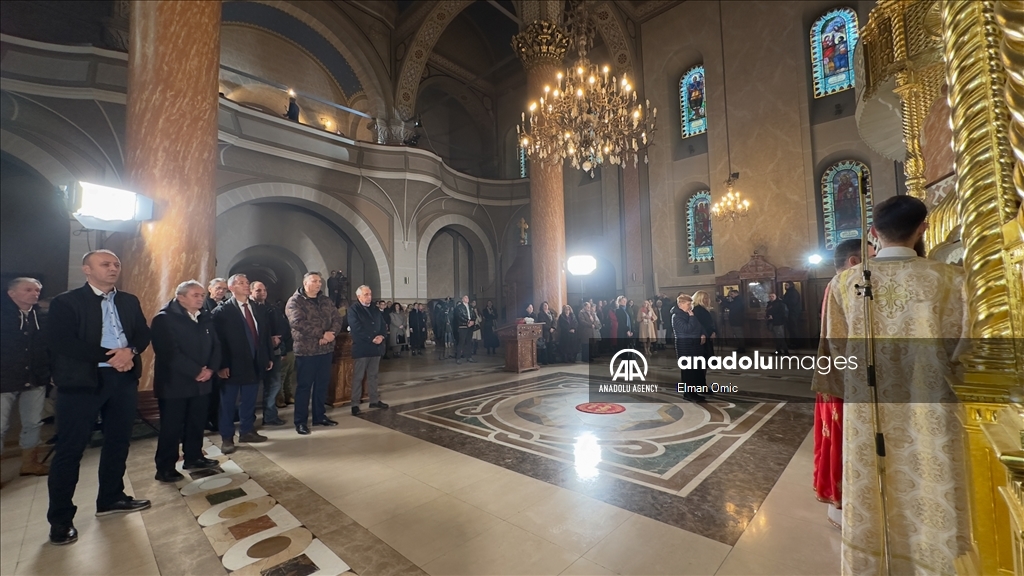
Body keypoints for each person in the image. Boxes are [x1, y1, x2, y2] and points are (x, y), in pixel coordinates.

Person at [821, 195, 970, 574]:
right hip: (931, 410)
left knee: (871, 488)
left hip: (865, 412)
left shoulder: (844, 284)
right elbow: (964, 350)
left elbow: (838, 353)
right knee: (931, 487)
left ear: (872, 234)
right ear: (922, 228)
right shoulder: (951, 280)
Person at [46, 250, 152, 546]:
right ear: (86, 269)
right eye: (105, 264)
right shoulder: (67, 302)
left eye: (116, 264)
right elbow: (62, 341)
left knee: (118, 441)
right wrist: (112, 356)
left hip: (122, 378)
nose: (113, 268)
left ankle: (111, 497)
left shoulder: (128, 300)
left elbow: (143, 333)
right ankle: (61, 519)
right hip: (82, 382)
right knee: (70, 450)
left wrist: (129, 352)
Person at [810, 238, 872, 530]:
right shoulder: (844, 284)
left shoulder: (843, 284)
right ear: (853, 261)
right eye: (871, 256)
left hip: (837, 373)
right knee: (839, 436)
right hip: (843, 375)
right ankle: (840, 500)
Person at [151, 281, 220, 483]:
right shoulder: (164, 319)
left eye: (202, 295)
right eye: (195, 295)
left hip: (202, 382)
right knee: (172, 427)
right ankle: (165, 467)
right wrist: (196, 371)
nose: (200, 298)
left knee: (196, 423)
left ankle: (194, 457)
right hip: (175, 383)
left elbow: (216, 345)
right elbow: (169, 353)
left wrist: (211, 369)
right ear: (180, 297)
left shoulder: (205, 317)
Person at [212, 274, 272, 454]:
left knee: (249, 401)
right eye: (241, 283)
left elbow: (264, 335)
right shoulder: (222, 311)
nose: (246, 286)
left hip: (254, 362)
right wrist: (221, 365)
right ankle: (227, 437)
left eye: (247, 283)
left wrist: (267, 356)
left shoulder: (257, 308)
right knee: (228, 403)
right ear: (231, 288)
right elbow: (218, 341)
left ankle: (247, 431)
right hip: (232, 364)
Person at [1, 278, 50, 484]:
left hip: (35, 376)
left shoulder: (41, 317)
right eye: (28, 289)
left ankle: (29, 463)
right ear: (12, 293)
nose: (34, 293)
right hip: (4, 377)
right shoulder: (4, 316)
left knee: (33, 421)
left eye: (37, 290)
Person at [286, 272, 343, 435]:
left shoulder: (325, 300)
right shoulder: (295, 301)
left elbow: (337, 318)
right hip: (306, 350)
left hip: (325, 349)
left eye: (320, 281)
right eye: (315, 281)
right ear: (305, 283)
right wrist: (322, 334)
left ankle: (319, 416)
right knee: (304, 387)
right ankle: (300, 421)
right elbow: (297, 322)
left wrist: (331, 333)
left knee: (322, 385)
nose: (319, 284)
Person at [347, 285, 389, 415]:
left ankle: (374, 400)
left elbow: (382, 324)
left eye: (370, 294)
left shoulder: (375, 309)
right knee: (358, 377)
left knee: (373, 376)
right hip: (362, 347)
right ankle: (355, 403)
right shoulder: (354, 310)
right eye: (366, 294)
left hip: (376, 348)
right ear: (359, 296)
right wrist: (372, 338)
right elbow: (356, 328)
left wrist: (382, 336)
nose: (369, 297)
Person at [251, 282, 286, 427]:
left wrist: (280, 341)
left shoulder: (272, 308)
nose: (262, 293)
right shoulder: (250, 309)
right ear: (251, 292)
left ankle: (270, 415)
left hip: (275, 351)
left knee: (274, 384)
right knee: (252, 387)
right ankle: (249, 418)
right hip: (256, 352)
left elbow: (283, 326)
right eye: (258, 290)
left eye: (264, 290)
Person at [203, 277, 228, 431]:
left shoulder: (225, 305)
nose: (221, 291)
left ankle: (216, 419)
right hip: (207, 354)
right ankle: (207, 420)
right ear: (210, 288)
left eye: (224, 289)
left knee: (219, 391)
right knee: (208, 392)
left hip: (221, 351)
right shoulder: (204, 305)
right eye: (218, 288)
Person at [672, 294, 706, 403]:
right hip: (685, 347)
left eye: (691, 303)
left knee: (694, 370)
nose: (690, 306)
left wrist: (702, 334)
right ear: (680, 304)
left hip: (693, 346)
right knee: (688, 372)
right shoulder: (676, 316)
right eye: (688, 304)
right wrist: (691, 318)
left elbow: (699, 326)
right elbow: (687, 329)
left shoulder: (689, 313)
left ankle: (694, 392)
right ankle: (688, 394)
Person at [691, 290, 717, 361]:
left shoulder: (702, 309)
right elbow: (701, 324)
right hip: (703, 335)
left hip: (707, 334)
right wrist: (709, 332)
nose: (707, 300)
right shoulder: (698, 310)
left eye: (707, 298)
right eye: (705, 298)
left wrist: (713, 331)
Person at [454, 295, 476, 364]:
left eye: (468, 298)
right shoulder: (459, 307)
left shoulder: (470, 307)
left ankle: (469, 357)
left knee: (469, 342)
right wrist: (467, 322)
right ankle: (458, 358)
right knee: (461, 342)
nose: (467, 299)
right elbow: (459, 316)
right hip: (463, 326)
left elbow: (474, 315)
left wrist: (472, 321)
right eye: (465, 298)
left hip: (470, 327)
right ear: (462, 299)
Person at [782, 281, 802, 349]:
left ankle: (796, 344)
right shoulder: (788, 292)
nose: (785, 286)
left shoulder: (793, 292)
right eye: (785, 285)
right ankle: (792, 343)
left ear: (791, 285)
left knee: (793, 328)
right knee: (791, 329)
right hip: (789, 313)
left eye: (787, 285)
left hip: (793, 312)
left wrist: (783, 301)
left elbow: (792, 302)